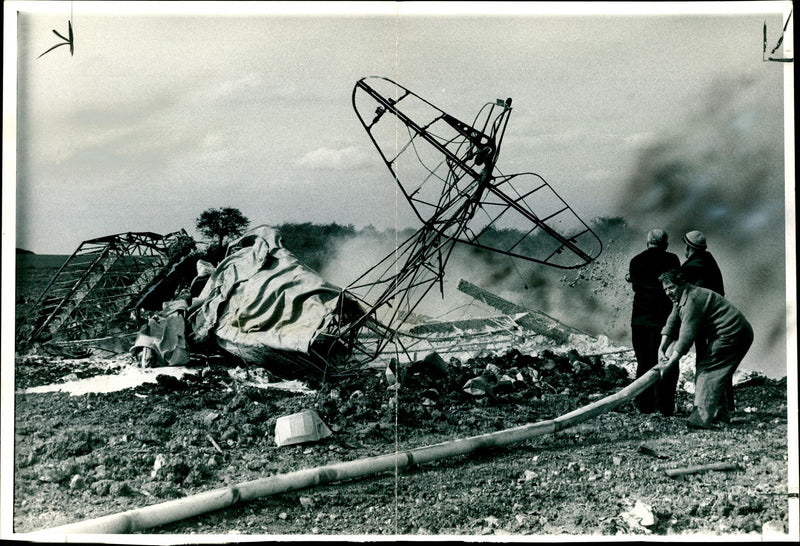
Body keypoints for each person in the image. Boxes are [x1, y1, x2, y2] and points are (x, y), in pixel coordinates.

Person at [657, 269, 753, 429]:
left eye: (671, 288)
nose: (668, 292)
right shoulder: (681, 297)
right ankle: (718, 415)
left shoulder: (693, 300)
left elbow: (686, 337)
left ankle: (700, 420)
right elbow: (672, 322)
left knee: (708, 370)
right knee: (714, 372)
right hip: (725, 334)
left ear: (681, 284)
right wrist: (661, 349)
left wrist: (671, 363)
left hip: (733, 333)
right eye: (665, 289)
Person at [626, 229, 681, 415]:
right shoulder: (672, 260)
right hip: (664, 321)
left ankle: (644, 405)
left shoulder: (636, 261)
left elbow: (634, 284)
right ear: (665, 244)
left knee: (643, 361)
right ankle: (665, 406)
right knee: (667, 362)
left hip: (640, 320)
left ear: (647, 242)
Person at [680, 230, 734, 412]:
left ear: (689, 247)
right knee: (719, 361)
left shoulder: (692, 267)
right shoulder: (710, 261)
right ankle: (726, 406)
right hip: (719, 319)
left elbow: (682, 292)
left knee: (705, 362)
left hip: (705, 322)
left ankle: (705, 406)